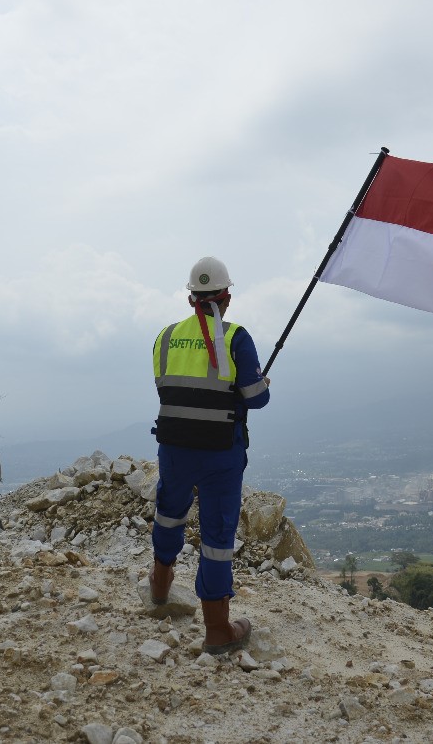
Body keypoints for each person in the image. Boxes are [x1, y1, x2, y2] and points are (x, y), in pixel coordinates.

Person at [148, 256, 271, 654]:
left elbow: (168, 387)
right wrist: (259, 382)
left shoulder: (165, 337)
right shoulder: (236, 337)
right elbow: (257, 398)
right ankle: (218, 629)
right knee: (217, 537)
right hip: (220, 454)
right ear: (227, 297)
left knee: (169, 513)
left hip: (174, 448)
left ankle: (160, 589)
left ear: (190, 298)